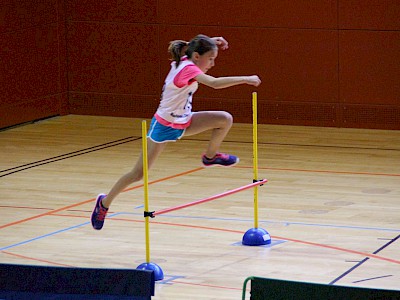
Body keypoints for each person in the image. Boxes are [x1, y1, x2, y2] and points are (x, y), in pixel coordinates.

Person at [91, 34, 261, 230]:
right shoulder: (188, 68)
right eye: (211, 59)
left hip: (183, 121)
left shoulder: (187, 55)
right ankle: (104, 204)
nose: (212, 64)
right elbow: (214, 83)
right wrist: (246, 79)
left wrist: (212, 42)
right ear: (197, 56)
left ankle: (210, 157)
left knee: (225, 119)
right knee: (138, 174)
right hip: (163, 126)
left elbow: (192, 45)